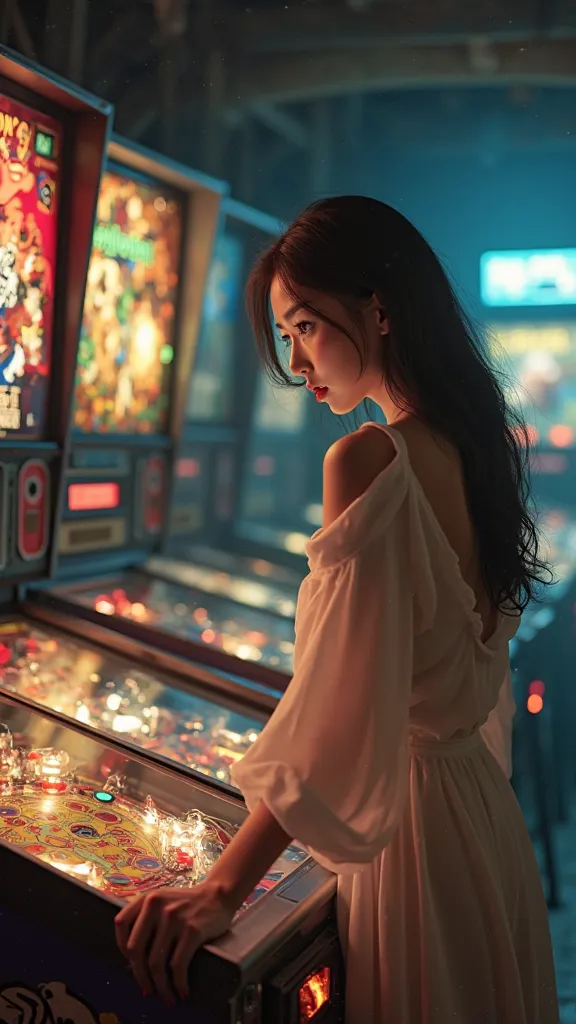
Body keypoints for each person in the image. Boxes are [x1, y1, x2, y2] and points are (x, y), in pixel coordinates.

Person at [115, 196, 559, 1022]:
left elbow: (337, 709)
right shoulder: (476, 447)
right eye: (287, 337)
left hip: (409, 840)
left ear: (378, 311)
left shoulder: (367, 459)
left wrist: (221, 887)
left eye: (306, 327)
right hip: (483, 828)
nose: (297, 361)